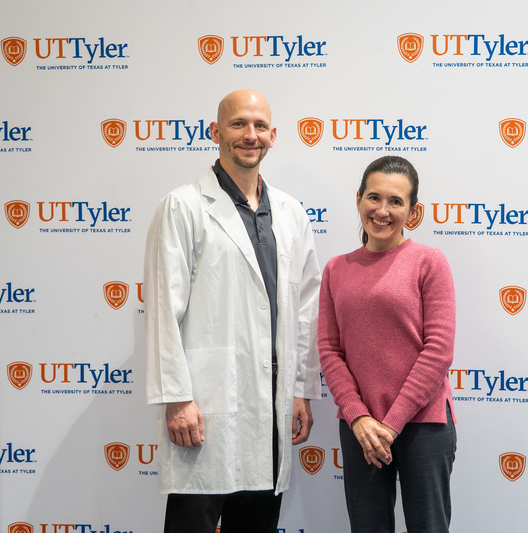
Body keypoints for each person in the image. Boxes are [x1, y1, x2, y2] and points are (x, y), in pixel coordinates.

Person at [144, 89, 322, 533]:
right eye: (239, 124)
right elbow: (164, 309)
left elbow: (305, 310)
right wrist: (178, 398)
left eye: (260, 126)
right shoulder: (182, 207)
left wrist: (300, 389)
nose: (250, 135)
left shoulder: (291, 214)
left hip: (273, 407)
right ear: (215, 132)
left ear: (273, 136)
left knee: (256, 523)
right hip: (205, 405)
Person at [318, 156, 457, 533]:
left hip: (422, 427)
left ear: (414, 211)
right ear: (359, 198)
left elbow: (439, 351)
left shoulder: (429, 262)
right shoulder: (335, 268)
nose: (382, 210)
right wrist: (358, 416)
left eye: (396, 201)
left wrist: (391, 425)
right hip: (359, 427)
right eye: (374, 197)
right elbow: (330, 350)